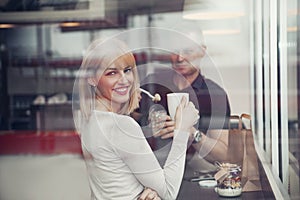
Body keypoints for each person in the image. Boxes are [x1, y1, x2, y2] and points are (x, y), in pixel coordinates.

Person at [73, 38, 199, 200]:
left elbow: (117, 180)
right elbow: (168, 193)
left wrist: (148, 188)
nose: (124, 80)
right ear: (92, 79)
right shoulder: (122, 126)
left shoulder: (90, 120)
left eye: (127, 70)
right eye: (112, 73)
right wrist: (183, 129)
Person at [132, 28, 231, 170]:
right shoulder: (153, 83)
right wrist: (147, 122)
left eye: (188, 51)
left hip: (194, 175)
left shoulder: (214, 94)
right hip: (150, 172)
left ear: (202, 51)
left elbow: (223, 154)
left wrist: (192, 134)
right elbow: (129, 117)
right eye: (174, 51)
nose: (179, 58)